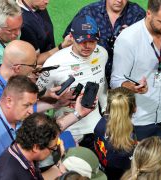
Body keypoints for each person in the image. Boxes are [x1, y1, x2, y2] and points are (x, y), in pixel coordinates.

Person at [0, 75, 93, 180]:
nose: (32, 110)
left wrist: (78, 114)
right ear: (9, 101)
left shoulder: (18, 116)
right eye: (27, 105)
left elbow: (45, 134)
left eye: (33, 104)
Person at [110, 0, 161, 179]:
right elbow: (116, 81)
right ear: (149, 13)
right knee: (138, 171)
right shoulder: (128, 39)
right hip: (139, 121)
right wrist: (133, 87)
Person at [36, 15, 109, 149]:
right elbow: (36, 95)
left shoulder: (102, 54)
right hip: (68, 130)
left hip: (97, 126)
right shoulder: (53, 63)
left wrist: (106, 111)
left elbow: (102, 81)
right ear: (72, 37)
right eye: (82, 41)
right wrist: (55, 100)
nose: (87, 46)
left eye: (92, 41)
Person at [63, 0, 146, 85]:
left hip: (125, 81)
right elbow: (70, 40)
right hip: (92, 77)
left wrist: (132, 36)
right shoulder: (89, 12)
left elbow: (148, 46)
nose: (119, 1)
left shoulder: (138, 14)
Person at [0, 113, 60, 180]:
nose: (54, 150)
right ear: (36, 147)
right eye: (52, 148)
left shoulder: (28, 156)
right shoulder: (5, 176)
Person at [93, 87, 136, 180]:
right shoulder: (126, 141)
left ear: (108, 106)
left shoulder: (100, 123)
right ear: (134, 108)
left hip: (102, 172)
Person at [16, 0, 72, 65]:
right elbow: (34, 62)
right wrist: (62, 46)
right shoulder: (25, 24)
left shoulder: (38, 5)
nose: (47, 1)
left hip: (52, 54)